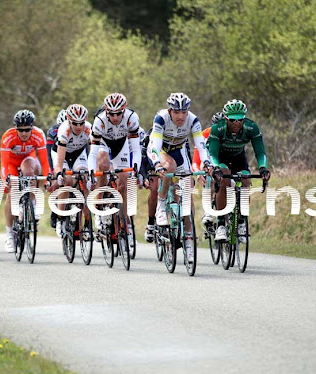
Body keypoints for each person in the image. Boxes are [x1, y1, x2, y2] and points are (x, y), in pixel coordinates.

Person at [148, 92, 210, 262]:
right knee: (169, 167)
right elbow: (156, 144)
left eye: (184, 112)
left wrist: (206, 163)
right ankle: (161, 206)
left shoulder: (193, 120)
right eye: (176, 112)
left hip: (179, 151)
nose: (181, 116)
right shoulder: (161, 118)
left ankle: (189, 240)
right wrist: (156, 164)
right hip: (160, 151)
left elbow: (201, 145)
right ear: (170, 111)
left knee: (187, 192)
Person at [207, 99, 271, 243]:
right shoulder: (218, 128)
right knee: (224, 179)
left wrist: (263, 168)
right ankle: (221, 225)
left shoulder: (251, 127)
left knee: (246, 180)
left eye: (240, 120)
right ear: (226, 118)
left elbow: (260, 152)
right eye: (233, 120)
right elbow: (212, 154)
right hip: (221, 157)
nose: (236, 123)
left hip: (238, 158)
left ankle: (241, 221)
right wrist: (215, 168)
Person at [88, 92, 141, 247]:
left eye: (118, 113)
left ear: (124, 110)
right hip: (104, 143)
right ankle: (99, 206)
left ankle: (127, 226)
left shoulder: (132, 118)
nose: (115, 117)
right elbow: (92, 153)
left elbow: (136, 149)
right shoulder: (99, 121)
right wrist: (92, 172)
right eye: (111, 113)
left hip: (121, 144)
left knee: (123, 185)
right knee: (103, 165)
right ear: (106, 111)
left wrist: (135, 169)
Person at [0, 109, 50, 252]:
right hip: (11, 164)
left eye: (27, 129)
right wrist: (5, 180)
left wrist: (48, 180)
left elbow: (45, 162)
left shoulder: (38, 135)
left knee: (31, 171)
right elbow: (4, 164)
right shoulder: (8, 137)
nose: (24, 133)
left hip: (28, 159)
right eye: (20, 130)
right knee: (11, 192)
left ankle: (32, 203)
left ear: (32, 127)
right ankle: (9, 234)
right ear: (16, 128)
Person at [51, 104, 91, 237]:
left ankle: (87, 223)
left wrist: (91, 172)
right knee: (67, 181)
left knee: (85, 180)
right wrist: (58, 172)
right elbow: (60, 160)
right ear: (69, 121)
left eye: (81, 123)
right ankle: (60, 218)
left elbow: (93, 153)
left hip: (79, 154)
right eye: (75, 123)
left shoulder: (89, 129)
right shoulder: (64, 130)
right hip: (61, 154)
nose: (79, 127)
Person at [46, 109, 67, 230]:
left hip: (73, 157)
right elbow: (49, 154)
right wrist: (52, 170)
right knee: (55, 182)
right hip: (56, 157)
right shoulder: (52, 132)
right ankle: (56, 210)